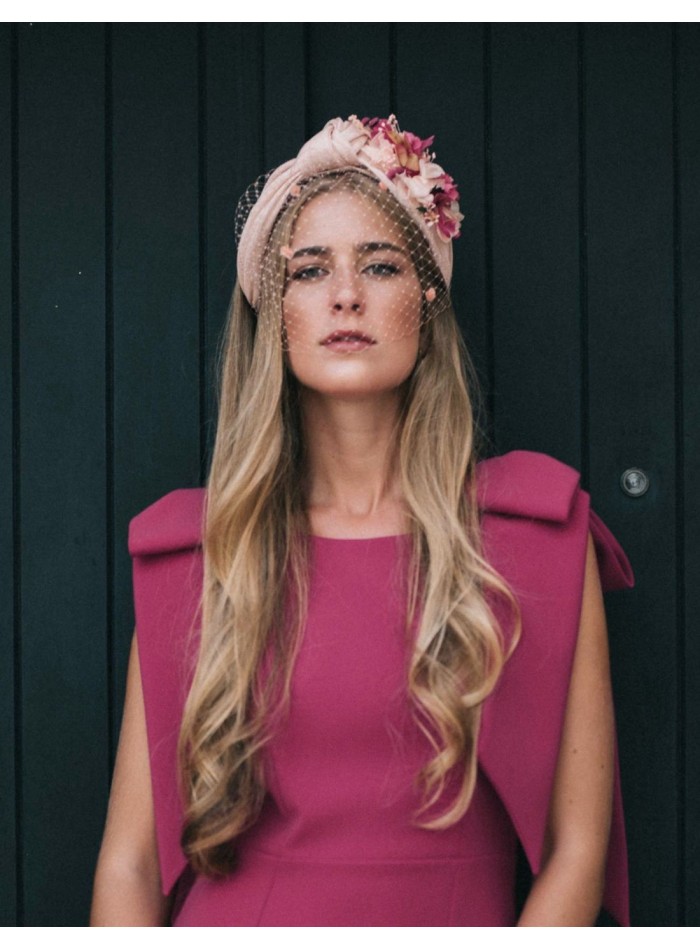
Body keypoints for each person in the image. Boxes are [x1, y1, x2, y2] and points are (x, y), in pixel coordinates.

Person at [90, 114, 635, 926]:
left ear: (427, 298)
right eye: (310, 271)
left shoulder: (536, 537)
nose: (346, 294)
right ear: (274, 314)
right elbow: (130, 864)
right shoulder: (203, 553)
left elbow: (577, 851)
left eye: (380, 265)